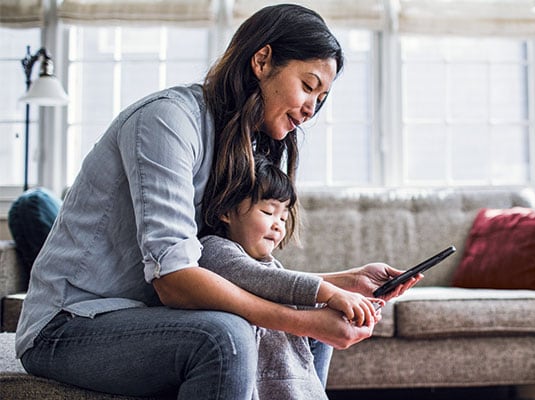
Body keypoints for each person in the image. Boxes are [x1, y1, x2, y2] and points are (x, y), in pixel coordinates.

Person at [15, 4, 419, 399]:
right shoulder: (167, 121)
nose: (313, 108)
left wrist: (340, 284)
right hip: (70, 324)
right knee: (227, 337)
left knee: (311, 329)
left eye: (322, 97)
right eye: (309, 86)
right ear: (262, 60)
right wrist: (304, 320)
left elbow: (229, 264)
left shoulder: (239, 144)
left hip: (144, 313)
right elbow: (174, 280)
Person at [199, 154, 383, 399]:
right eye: (268, 212)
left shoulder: (270, 264)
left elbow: (279, 283)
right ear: (227, 211)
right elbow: (262, 280)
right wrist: (330, 292)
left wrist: (355, 307)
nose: (278, 225)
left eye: (283, 217)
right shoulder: (214, 250)